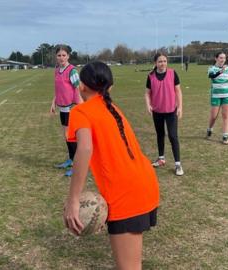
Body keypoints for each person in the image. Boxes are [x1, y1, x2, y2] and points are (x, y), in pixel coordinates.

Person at [63, 61, 159, 270]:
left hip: (126, 193)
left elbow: (85, 149)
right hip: (144, 183)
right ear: (109, 87)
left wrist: (73, 200)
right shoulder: (112, 107)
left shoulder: (81, 111)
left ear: (82, 85)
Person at [145, 52, 184, 175]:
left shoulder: (173, 73)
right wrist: (148, 105)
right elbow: (147, 93)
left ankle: (178, 165)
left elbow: (178, 91)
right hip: (157, 111)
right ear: (155, 63)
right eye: (160, 61)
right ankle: (161, 158)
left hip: (171, 111)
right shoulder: (150, 76)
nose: (162, 63)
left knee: (173, 136)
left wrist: (180, 107)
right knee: (160, 135)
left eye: (164, 61)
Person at [50, 45, 83, 177]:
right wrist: (53, 102)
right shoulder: (57, 70)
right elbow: (58, 89)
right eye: (59, 55)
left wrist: (78, 106)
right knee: (66, 135)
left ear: (68, 56)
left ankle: (76, 165)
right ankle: (70, 159)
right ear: (56, 57)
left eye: (64, 55)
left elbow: (78, 88)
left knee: (71, 136)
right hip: (62, 107)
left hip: (72, 108)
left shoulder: (72, 71)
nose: (61, 57)